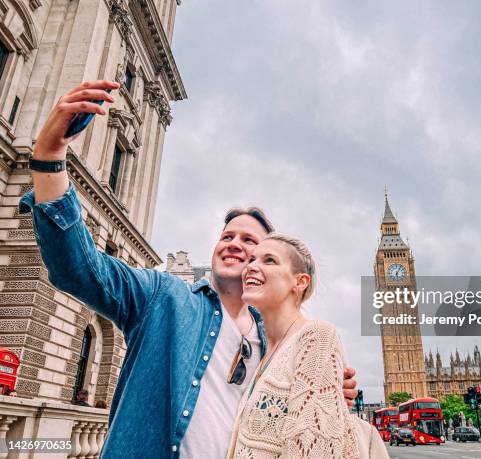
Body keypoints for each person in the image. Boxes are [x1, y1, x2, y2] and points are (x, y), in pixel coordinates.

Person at [19, 80, 357, 458]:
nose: (234, 243)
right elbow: (78, 268)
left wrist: (323, 389)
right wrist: (50, 156)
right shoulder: (163, 297)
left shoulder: (273, 344)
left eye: (252, 243)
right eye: (227, 235)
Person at [227, 234, 388, 458]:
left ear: (300, 282)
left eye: (269, 260)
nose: (251, 267)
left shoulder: (317, 336)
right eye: (252, 260)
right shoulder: (264, 355)